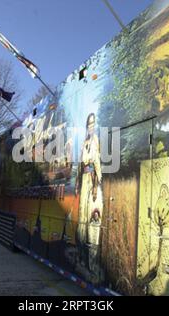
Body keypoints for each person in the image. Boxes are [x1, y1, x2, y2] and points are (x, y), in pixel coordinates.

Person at [75, 113, 103, 277]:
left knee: (92, 221)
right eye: (89, 124)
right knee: (81, 221)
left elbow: (97, 162)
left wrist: (96, 185)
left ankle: (92, 264)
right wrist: (78, 181)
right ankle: (81, 258)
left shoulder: (95, 140)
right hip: (84, 179)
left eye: (93, 124)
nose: (91, 126)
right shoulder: (84, 142)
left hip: (92, 180)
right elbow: (80, 163)